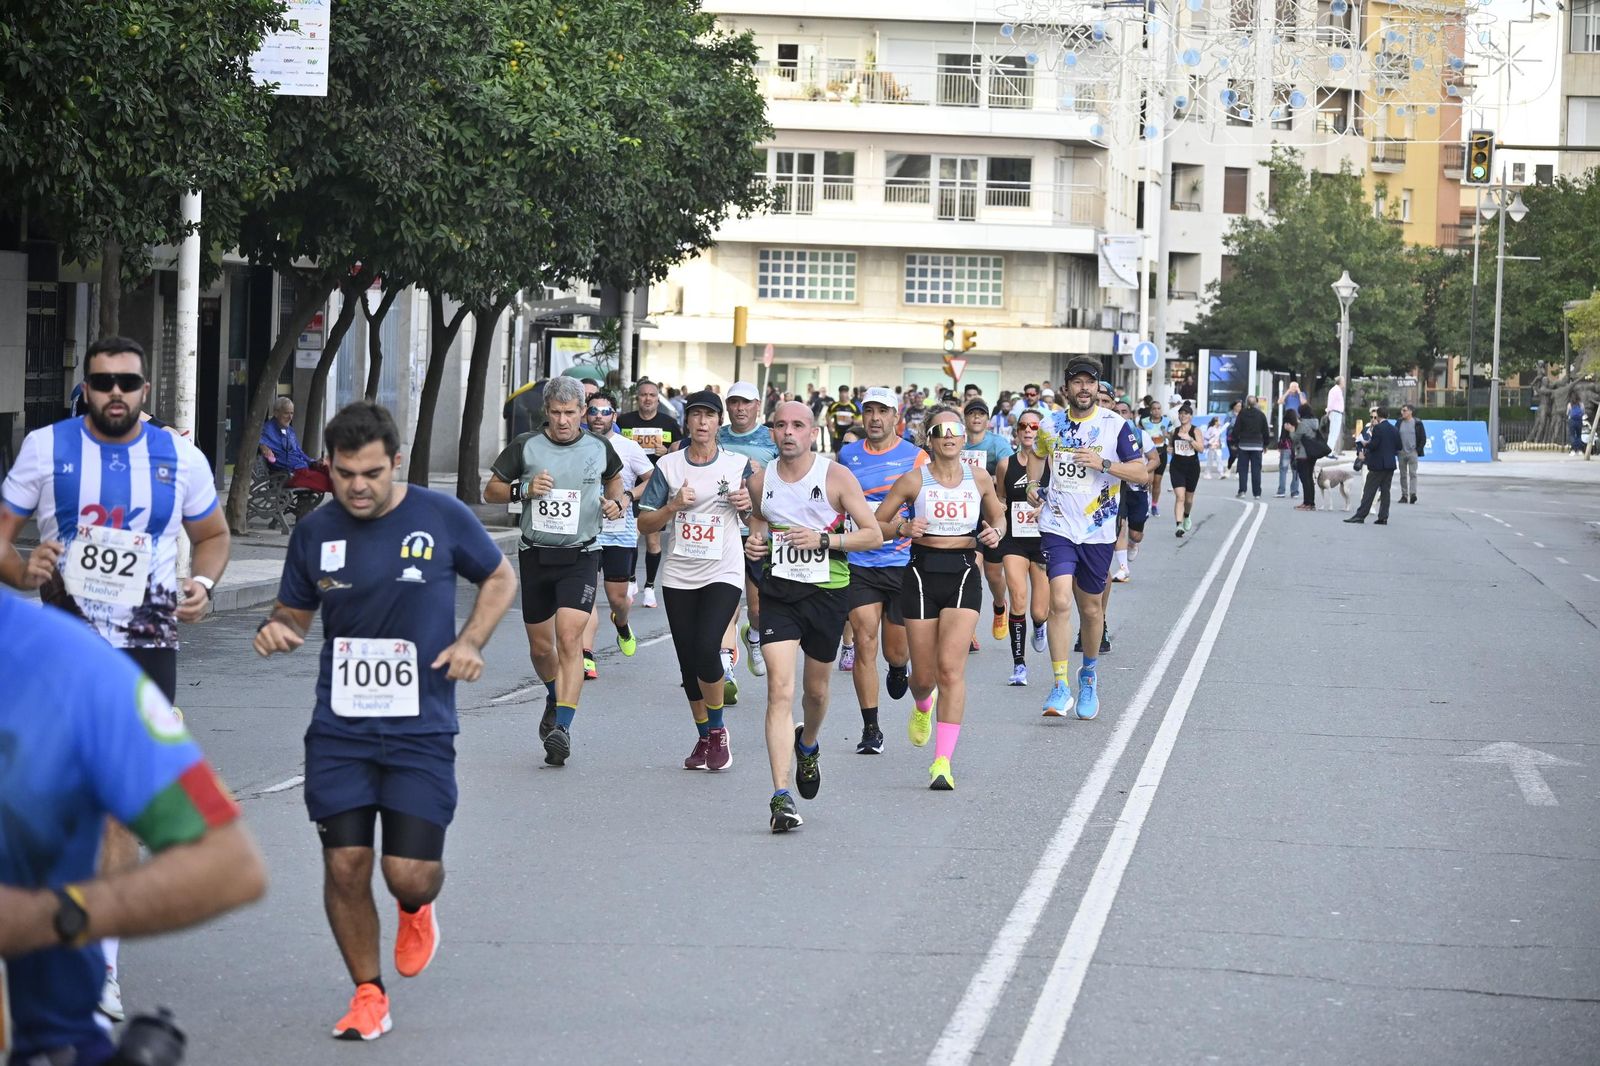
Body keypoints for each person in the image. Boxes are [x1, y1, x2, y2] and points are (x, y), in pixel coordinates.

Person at [252, 399, 517, 1042]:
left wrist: (470, 642)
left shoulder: (440, 516)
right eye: (345, 473)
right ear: (331, 468)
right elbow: (295, 615)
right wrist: (278, 632)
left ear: (394, 463)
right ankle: (368, 993)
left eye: (371, 472)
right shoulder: (315, 533)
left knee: (407, 871)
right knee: (344, 863)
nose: (358, 486)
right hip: (340, 728)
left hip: (421, 727)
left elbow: (500, 577)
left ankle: (415, 905)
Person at [0, 335, 231, 1019]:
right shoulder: (46, 448)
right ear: (85, 387)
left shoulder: (178, 457)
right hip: (62, 647)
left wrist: (204, 583)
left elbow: (213, 535)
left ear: (145, 389)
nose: (116, 395)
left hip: (145, 644)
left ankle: (99, 963)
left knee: (117, 807)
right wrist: (21, 569)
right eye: (103, 383)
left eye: (127, 383)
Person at [0, 588, 266, 1065]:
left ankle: (106, 968)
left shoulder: (73, 666)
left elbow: (229, 864)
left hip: (42, 1034)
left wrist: (51, 917)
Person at [744, 401, 883, 832]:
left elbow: (873, 534)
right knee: (778, 690)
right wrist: (756, 543)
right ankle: (780, 795)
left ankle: (808, 744)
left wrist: (825, 539)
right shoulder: (760, 481)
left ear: (812, 432)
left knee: (816, 693)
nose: (789, 432)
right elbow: (758, 523)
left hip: (827, 594)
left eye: (798, 426)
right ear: (772, 432)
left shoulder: (835, 476)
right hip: (780, 594)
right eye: (781, 425)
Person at [485, 376, 625, 766]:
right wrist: (523, 490)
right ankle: (553, 694)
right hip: (535, 555)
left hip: (581, 555)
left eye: (571, 413)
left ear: (583, 412)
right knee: (541, 647)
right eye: (556, 413)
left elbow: (614, 480)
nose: (563, 420)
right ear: (546, 412)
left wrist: (615, 503)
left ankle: (562, 727)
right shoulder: (525, 446)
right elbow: (491, 491)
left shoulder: (599, 447)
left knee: (569, 639)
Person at [873, 407, 1004, 789]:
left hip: (963, 570)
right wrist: (902, 526)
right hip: (920, 573)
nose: (948, 436)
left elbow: (999, 518)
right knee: (924, 677)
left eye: (955, 430)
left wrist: (995, 532)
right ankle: (922, 705)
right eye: (940, 430)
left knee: (951, 669)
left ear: (964, 437)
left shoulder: (978, 478)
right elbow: (877, 523)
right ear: (929, 439)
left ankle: (943, 762)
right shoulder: (914, 480)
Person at [1024, 358, 1147, 721]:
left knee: (1091, 609)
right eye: (1076, 383)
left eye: (1088, 383)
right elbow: (1036, 456)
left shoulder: (1116, 426)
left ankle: (1088, 674)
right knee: (1059, 601)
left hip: (1098, 528)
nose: (1083, 389)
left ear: (1097, 388)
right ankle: (1060, 684)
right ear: (1067, 388)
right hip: (1058, 524)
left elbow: (1140, 472)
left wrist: (1104, 464)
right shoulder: (1051, 424)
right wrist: (1034, 484)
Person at [637, 391, 753, 773]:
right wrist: (673, 507)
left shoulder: (740, 466)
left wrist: (747, 508)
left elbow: (761, 519)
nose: (702, 422)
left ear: (719, 422)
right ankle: (703, 735)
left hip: (724, 569)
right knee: (688, 662)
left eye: (709, 416)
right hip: (679, 573)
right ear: (686, 422)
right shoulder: (669, 467)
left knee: (707, 647)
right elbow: (645, 522)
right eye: (696, 416)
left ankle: (719, 732)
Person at [836, 387, 923, 754]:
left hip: (901, 562)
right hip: (860, 563)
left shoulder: (915, 457)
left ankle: (899, 668)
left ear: (895, 417)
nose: (874, 418)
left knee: (896, 651)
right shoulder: (847, 455)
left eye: (882, 412)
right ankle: (871, 728)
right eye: (868, 411)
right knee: (864, 640)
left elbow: (924, 505)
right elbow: (838, 504)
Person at [579, 391, 654, 678]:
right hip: (586, 530)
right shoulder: (578, 444)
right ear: (586, 414)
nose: (599, 417)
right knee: (585, 593)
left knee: (617, 598)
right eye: (594, 411)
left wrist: (626, 498)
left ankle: (621, 623)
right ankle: (587, 656)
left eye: (605, 411)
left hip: (619, 532)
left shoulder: (628, 447)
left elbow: (650, 479)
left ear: (615, 415)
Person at [719, 382, 780, 681]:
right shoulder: (716, 437)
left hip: (757, 531)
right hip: (721, 529)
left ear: (758, 405)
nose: (740, 408)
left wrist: (762, 474)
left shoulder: (772, 439)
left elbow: (791, 478)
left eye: (746, 403)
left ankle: (754, 634)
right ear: (727, 406)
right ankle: (724, 668)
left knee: (756, 608)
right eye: (734, 403)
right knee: (725, 603)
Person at [994, 410, 1049, 684]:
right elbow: (1000, 497)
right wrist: (1000, 508)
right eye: (1023, 426)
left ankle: (1039, 626)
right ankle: (1019, 665)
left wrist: (1045, 510)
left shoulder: (1049, 463)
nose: (1028, 430)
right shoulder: (1006, 464)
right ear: (1017, 431)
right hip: (1014, 541)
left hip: (1043, 541)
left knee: (1039, 611)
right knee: (1017, 598)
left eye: (1034, 426)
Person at [617, 379, 680, 608]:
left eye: (652, 395)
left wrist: (667, 451)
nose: (647, 399)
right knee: (631, 535)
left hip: (657, 486)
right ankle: (632, 579)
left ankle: (650, 587)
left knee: (653, 540)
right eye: (643, 395)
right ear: (638, 397)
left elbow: (679, 450)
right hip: (631, 486)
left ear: (657, 398)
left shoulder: (669, 423)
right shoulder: (625, 421)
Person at [960, 397, 1017, 646]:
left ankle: (999, 605)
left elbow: (1011, 468)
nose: (976, 418)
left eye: (981, 414)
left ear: (987, 419)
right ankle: (966, 628)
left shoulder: (997, 444)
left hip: (988, 512)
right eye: (972, 413)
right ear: (966, 418)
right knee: (971, 569)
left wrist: (993, 483)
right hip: (961, 511)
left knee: (994, 576)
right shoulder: (957, 443)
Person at [1109, 399, 1160, 584]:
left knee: (1135, 533)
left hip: (1138, 489)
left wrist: (1139, 473)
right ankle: (1123, 569)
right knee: (1119, 526)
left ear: (1130, 415)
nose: (1120, 415)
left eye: (1124, 411)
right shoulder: (1107, 434)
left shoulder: (1140, 435)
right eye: (1117, 411)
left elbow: (1155, 459)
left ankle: (1134, 543)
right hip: (1117, 488)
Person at [260, 395, 334, 494]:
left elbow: (298, 451)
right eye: (286, 413)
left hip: (302, 467)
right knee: (330, 482)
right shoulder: (267, 430)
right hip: (289, 474)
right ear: (276, 413)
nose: (290, 417)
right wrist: (262, 446)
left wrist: (312, 462)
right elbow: (257, 440)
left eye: (292, 413)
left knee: (331, 470)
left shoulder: (289, 430)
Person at [1346, 405, 1400, 525]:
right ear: (1388, 415)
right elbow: (1399, 446)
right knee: (1386, 491)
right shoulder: (1394, 429)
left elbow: (1374, 445)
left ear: (1378, 416)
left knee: (1369, 490)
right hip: (1390, 464)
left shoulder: (1378, 428)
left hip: (1377, 464)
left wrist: (1366, 444)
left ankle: (1360, 515)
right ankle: (1383, 517)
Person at [1166, 404, 1204, 538]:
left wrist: (1190, 440)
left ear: (1191, 416)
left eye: (1186, 413)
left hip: (1192, 467)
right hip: (1177, 467)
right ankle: (1178, 525)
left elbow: (1201, 449)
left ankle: (1186, 516)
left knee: (1188, 499)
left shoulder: (1196, 431)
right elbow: (1171, 446)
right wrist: (1169, 450)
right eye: (1181, 413)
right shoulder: (1174, 431)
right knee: (1180, 497)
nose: (1183, 416)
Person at [1138, 399, 1171, 518]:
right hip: (1149, 455)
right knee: (1148, 481)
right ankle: (1145, 505)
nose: (1157, 411)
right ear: (1151, 411)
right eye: (1154, 409)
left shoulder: (1167, 421)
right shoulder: (1144, 422)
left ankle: (1154, 505)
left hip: (1161, 454)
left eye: (1159, 408)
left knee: (1157, 482)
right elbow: (1138, 435)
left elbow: (1171, 437)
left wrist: (1167, 436)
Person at [1232, 396, 1269, 499]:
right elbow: (1265, 430)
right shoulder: (1261, 415)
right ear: (1256, 403)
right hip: (1257, 445)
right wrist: (1265, 444)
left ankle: (1242, 491)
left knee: (1243, 469)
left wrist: (1234, 442)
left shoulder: (1242, 414)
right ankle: (1257, 493)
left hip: (1244, 445)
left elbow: (1236, 429)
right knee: (1256, 470)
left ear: (1246, 403)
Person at [1290, 407, 1321, 511]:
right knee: (1309, 478)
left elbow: (1295, 438)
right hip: (1312, 454)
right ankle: (1311, 503)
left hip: (1303, 454)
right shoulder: (1315, 423)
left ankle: (1307, 503)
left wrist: (1291, 431)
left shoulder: (1303, 424)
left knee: (1305, 479)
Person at [1397, 403, 1425, 503]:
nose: (1402, 412)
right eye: (1402, 410)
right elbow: (1395, 435)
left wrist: (1418, 449)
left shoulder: (1417, 423)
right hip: (1401, 452)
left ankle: (1413, 494)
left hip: (1413, 452)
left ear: (1410, 412)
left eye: (1404, 410)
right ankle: (1404, 495)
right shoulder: (1399, 422)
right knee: (1403, 475)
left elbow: (1423, 438)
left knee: (1413, 474)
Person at [1326, 379, 1346, 456]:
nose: (1344, 383)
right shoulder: (1336, 390)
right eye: (1343, 381)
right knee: (1334, 433)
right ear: (1340, 382)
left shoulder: (1337, 390)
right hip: (1335, 412)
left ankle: (1330, 450)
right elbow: (1331, 402)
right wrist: (1328, 410)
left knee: (1334, 433)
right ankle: (1329, 451)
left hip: (1336, 413)